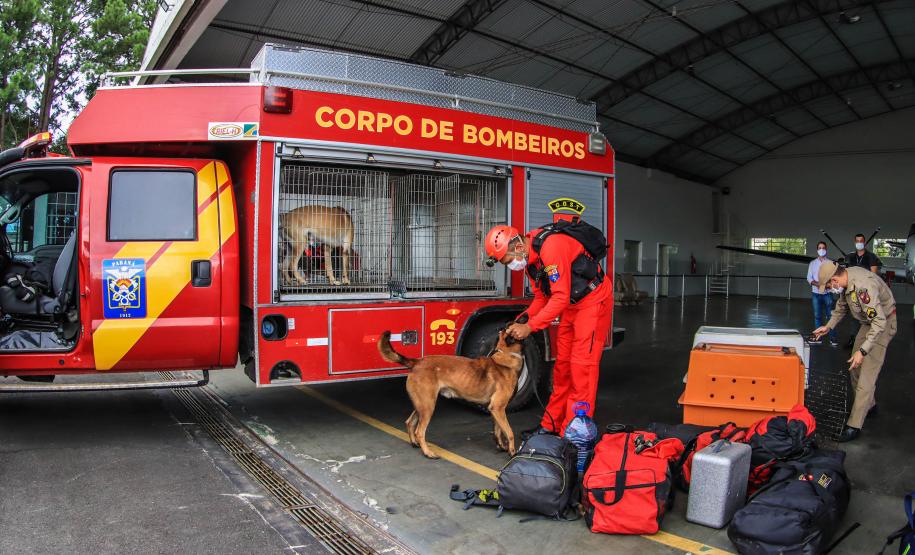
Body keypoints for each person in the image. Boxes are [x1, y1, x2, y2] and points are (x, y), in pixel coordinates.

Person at [484, 223, 612, 435]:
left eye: (507, 261)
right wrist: (522, 320)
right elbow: (543, 298)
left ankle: (573, 433)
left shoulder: (551, 247)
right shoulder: (530, 263)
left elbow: (559, 297)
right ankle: (550, 426)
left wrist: (531, 326)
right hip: (571, 306)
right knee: (562, 369)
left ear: (516, 248)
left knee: (582, 370)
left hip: (593, 303)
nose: (510, 266)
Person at [813, 261, 896, 442]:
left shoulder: (863, 287)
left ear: (834, 280)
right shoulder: (846, 280)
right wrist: (828, 327)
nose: (830, 289)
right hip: (867, 324)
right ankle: (869, 405)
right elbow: (841, 307)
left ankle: (854, 425)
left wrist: (863, 351)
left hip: (883, 324)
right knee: (854, 368)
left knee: (866, 375)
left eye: (828, 286)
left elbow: (879, 322)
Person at [843, 233, 882, 347]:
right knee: (855, 316)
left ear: (864, 242)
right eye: (857, 241)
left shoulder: (871, 257)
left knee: (870, 315)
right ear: (855, 242)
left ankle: (870, 341)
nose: (859, 243)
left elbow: (873, 275)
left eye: (861, 241)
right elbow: (847, 272)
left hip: (866, 292)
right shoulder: (850, 257)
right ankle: (853, 338)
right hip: (854, 291)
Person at [807, 241, 838, 346]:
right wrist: (818, 285)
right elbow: (809, 278)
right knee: (817, 316)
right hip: (816, 293)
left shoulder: (831, 263)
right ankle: (818, 337)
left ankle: (833, 337)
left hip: (828, 293)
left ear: (826, 249)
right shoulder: (812, 263)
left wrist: (826, 285)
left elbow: (835, 278)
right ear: (817, 250)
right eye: (819, 248)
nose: (821, 249)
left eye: (823, 248)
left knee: (830, 316)